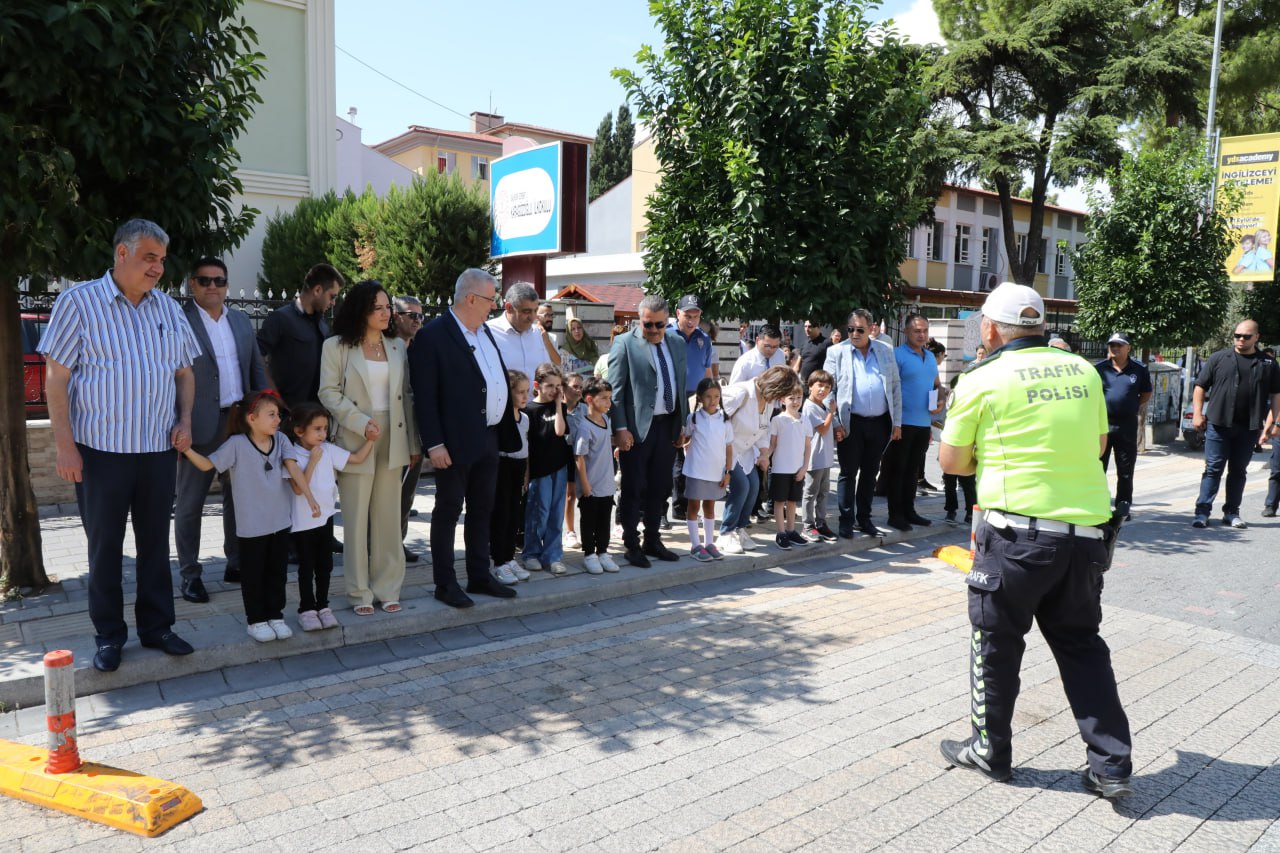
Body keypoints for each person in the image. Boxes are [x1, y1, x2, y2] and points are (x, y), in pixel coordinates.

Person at [937, 281, 1134, 800]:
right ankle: (1111, 764)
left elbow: (952, 462)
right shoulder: (1084, 372)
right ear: (1039, 325)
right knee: (1082, 646)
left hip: (1016, 537)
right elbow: (1096, 447)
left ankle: (990, 750)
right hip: (1086, 537)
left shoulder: (982, 377)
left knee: (995, 645)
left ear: (990, 327)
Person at [40, 219, 201, 673]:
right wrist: (65, 446)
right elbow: (57, 378)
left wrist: (185, 419)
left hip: (155, 450)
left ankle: (158, 627)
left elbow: (184, 372)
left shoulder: (167, 310)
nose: (157, 268)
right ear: (122, 254)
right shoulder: (79, 303)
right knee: (104, 547)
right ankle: (110, 636)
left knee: (154, 544)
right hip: (99, 452)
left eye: (162, 260)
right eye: (149, 257)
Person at [410, 269, 520, 608]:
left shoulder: (483, 331)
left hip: (488, 436)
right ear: (471, 298)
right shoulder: (433, 336)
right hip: (453, 442)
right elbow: (425, 397)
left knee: (482, 509)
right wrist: (435, 444)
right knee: (448, 511)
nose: (495, 306)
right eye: (491, 299)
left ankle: (479, 575)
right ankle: (445, 583)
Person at [181, 390, 319, 642]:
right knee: (253, 574)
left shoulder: (282, 441)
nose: (277, 419)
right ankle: (256, 620)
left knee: (276, 572)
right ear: (251, 418)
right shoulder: (236, 445)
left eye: (278, 414)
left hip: (279, 521)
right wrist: (187, 449)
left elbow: (293, 469)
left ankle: (275, 615)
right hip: (251, 526)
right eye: (271, 414)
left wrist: (310, 498)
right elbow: (206, 465)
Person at [318, 281, 420, 615]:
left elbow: (405, 395)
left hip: (394, 435)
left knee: (389, 516)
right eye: (378, 307)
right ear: (361, 309)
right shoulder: (336, 346)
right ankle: (359, 592)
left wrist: (413, 441)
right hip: (356, 435)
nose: (386, 312)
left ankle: (388, 587)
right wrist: (360, 422)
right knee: (357, 518)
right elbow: (328, 392)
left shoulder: (396, 346)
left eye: (388, 307)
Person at [174, 256, 269, 603]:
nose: (212, 286)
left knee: (238, 498)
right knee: (190, 502)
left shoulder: (241, 321)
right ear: (192, 284)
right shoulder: (177, 320)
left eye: (219, 280)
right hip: (197, 425)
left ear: (227, 285)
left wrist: (264, 412)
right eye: (204, 280)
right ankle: (190, 574)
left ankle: (237, 563)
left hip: (239, 421)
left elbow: (256, 369)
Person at [608, 295, 689, 567]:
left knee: (660, 486)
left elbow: (680, 385)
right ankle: (631, 543)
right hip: (636, 430)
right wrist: (620, 428)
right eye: (648, 325)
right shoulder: (624, 344)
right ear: (638, 319)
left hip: (668, 426)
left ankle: (652, 539)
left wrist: (683, 424)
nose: (654, 330)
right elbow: (616, 391)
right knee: (633, 487)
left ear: (668, 322)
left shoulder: (676, 342)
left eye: (659, 325)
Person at [284, 402, 375, 631]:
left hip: (325, 517)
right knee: (307, 566)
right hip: (302, 523)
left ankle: (323, 606)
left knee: (325, 565)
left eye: (325, 428)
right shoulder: (292, 454)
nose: (322, 434)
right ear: (298, 430)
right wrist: (313, 461)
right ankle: (307, 609)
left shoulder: (328, 449)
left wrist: (371, 440)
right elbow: (297, 488)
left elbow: (356, 459)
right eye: (317, 429)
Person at [1190, 319, 1280, 528]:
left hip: (1248, 427)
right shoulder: (1219, 358)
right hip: (1218, 425)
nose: (1240, 339)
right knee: (1213, 468)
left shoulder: (1267, 364)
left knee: (1238, 470)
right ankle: (1202, 512)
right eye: (1237, 335)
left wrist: (1275, 423)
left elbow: (1276, 394)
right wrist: (1197, 413)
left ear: (1256, 337)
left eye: (1246, 336)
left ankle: (1231, 512)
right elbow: (1200, 386)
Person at [823, 308, 901, 538]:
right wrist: (836, 423)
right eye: (851, 329)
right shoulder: (837, 352)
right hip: (851, 422)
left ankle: (864, 519)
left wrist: (897, 422)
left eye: (860, 329)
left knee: (870, 472)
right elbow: (828, 391)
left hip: (879, 422)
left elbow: (895, 387)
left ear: (871, 329)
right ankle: (846, 520)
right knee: (848, 472)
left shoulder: (885, 351)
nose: (854, 334)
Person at [715, 367, 804, 555]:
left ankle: (740, 529)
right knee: (741, 487)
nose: (781, 399)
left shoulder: (768, 401)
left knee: (754, 488)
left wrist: (764, 454)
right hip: (726, 449)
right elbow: (716, 420)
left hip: (746, 451)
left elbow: (763, 432)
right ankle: (725, 533)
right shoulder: (740, 393)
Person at [879, 313, 944, 531]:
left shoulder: (930, 358)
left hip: (923, 423)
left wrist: (941, 399)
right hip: (902, 423)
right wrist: (892, 423)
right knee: (898, 469)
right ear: (906, 331)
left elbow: (938, 385)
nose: (921, 334)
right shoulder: (897, 355)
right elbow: (888, 388)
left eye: (925, 330)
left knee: (913, 471)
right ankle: (895, 514)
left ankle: (909, 511)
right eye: (917, 330)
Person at [258, 263, 343, 407]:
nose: (333, 302)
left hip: (316, 413)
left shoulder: (321, 323)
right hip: (287, 414)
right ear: (317, 290)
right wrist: (275, 397)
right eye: (332, 296)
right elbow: (257, 356)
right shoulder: (280, 318)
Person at [670, 294, 717, 520]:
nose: (691, 320)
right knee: (672, 452)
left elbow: (707, 373)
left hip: (695, 399)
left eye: (696, 316)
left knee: (690, 454)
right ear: (677, 313)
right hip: (672, 399)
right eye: (687, 315)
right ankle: (661, 511)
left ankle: (682, 508)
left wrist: (709, 398)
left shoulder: (704, 339)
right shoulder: (667, 334)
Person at [1095, 332, 1152, 520]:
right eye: (1112, 344)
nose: (1115, 348)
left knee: (1125, 469)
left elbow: (1145, 393)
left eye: (1119, 345)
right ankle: (1098, 505)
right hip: (1102, 426)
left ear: (1129, 348)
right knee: (1097, 468)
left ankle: (1123, 507)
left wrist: (1130, 407)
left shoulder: (1139, 369)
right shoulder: (1100, 369)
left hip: (1127, 426)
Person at [524, 363, 573, 577]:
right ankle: (531, 552)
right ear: (537, 386)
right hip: (539, 469)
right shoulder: (529, 411)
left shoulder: (557, 408)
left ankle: (553, 555)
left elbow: (560, 431)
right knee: (538, 512)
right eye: (550, 386)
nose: (554, 389)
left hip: (559, 467)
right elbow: (526, 447)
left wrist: (560, 405)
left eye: (558, 385)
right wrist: (525, 476)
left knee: (555, 513)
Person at [679, 378, 733, 562]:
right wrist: (680, 439)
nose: (713, 400)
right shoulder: (693, 418)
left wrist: (728, 471)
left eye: (716, 396)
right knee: (693, 506)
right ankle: (695, 545)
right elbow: (684, 438)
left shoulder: (725, 420)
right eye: (708, 396)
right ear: (700, 398)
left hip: (716, 471)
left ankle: (709, 543)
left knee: (710, 506)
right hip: (696, 470)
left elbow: (729, 447)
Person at [392, 295, 426, 564]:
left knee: (406, 493)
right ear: (396, 316)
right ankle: (375, 544)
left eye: (420, 316)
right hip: (388, 429)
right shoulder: (383, 346)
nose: (417, 320)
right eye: (412, 315)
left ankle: (398, 541)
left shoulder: (421, 347)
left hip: (415, 429)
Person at [574, 378, 620, 574]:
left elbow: (604, 443)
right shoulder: (584, 426)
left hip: (606, 482)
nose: (608, 403)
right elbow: (579, 457)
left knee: (604, 520)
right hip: (591, 484)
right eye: (604, 398)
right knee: (589, 520)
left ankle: (602, 552)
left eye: (609, 398)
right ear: (590, 399)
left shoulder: (606, 420)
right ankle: (589, 554)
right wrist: (585, 484)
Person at [491, 370, 532, 585]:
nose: (525, 397)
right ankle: (499, 561)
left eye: (528, 392)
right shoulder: (501, 419)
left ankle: (509, 557)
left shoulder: (524, 418)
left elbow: (525, 449)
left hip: (518, 468)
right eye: (520, 392)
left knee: (515, 515)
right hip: (503, 468)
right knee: (501, 514)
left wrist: (526, 474)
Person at [768, 389, 812, 550]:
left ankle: (791, 530)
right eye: (791, 398)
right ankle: (781, 533)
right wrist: (765, 458)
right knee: (779, 502)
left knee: (793, 501)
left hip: (797, 469)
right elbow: (772, 443)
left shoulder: (805, 420)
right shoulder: (777, 420)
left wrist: (804, 467)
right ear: (782, 400)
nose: (795, 401)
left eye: (799, 398)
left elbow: (808, 447)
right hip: (780, 468)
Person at [488, 282, 561, 378]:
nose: (533, 317)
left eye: (535, 311)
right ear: (509, 308)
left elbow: (548, 372)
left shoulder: (538, 333)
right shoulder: (487, 332)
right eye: (527, 311)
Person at [801, 370, 838, 542]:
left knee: (823, 493)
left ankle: (821, 523)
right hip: (814, 457)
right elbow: (822, 428)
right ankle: (808, 526)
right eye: (819, 386)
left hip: (825, 457)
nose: (823, 390)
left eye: (827, 387)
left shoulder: (822, 405)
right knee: (810, 493)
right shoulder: (809, 407)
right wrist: (832, 412)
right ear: (810, 386)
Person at [561, 372, 587, 551]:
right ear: (563, 388)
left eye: (581, 386)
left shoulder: (585, 409)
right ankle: (570, 531)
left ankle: (588, 531)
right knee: (568, 494)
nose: (579, 390)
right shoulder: (557, 408)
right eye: (575, 386)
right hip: (562, 455)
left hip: (582, 457)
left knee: (585, 493)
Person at [559, 307, 599, 378]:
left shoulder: (590, 345)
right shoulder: (564, 352)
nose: (577, 331)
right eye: (573, 329)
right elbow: (564, 375)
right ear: (569, 332)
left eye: (579, 327)